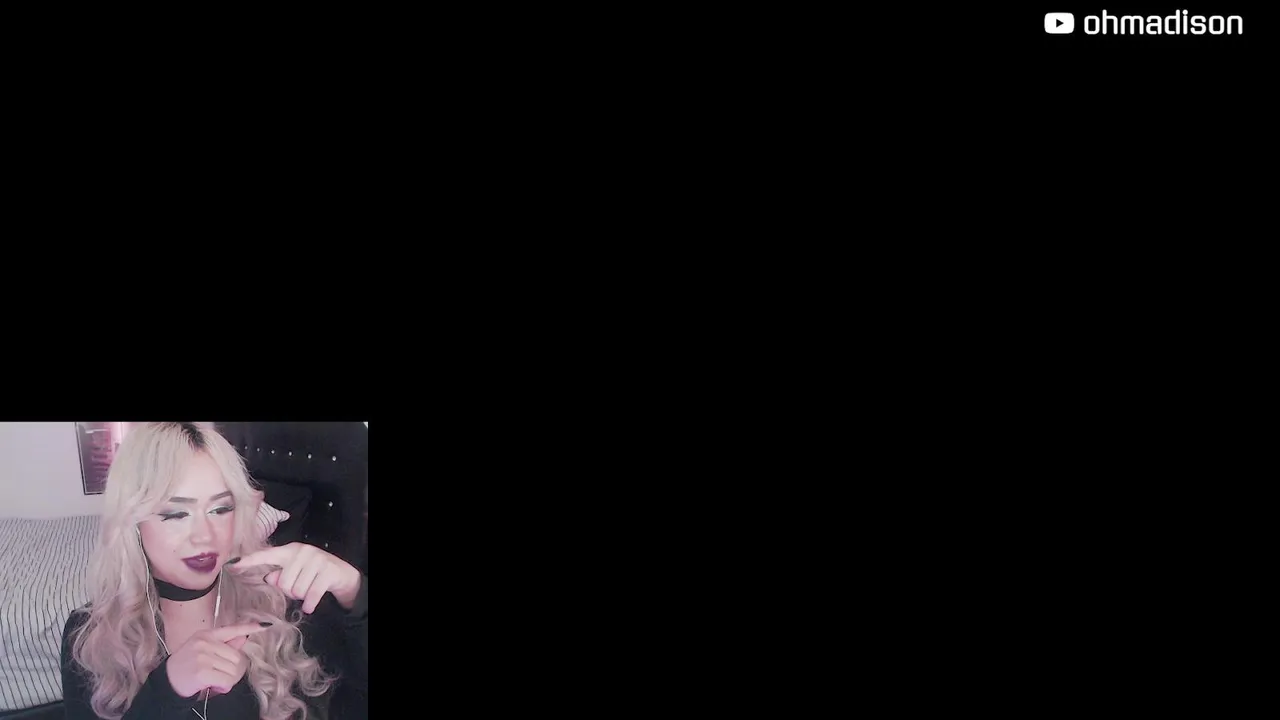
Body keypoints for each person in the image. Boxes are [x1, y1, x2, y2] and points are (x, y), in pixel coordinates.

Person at [61, 422, 368, 719]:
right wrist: (166, 690)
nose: (205, 537)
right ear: (133, 523)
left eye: (221, 509)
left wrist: (356, 594)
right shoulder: (91, 636)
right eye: (177, 514)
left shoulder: (282, 606)